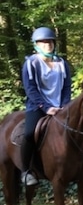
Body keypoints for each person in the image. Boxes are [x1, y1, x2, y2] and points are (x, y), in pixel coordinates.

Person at [21, 26, 72, 186]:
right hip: (38, 107)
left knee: (81, 128)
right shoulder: (31, 63)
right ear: (36, 44)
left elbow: (66, 86)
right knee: (29, 133)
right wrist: (46, 107)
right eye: (43, 42)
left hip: (61, 107)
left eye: (50, 41)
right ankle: (26, 171)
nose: (47, 44)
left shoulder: (62, 63)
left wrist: (64, 106)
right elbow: (30, 89)